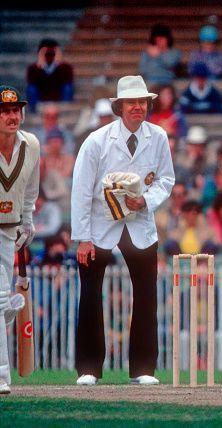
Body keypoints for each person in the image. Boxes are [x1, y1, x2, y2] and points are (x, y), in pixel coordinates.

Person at [71, 75, 175, 386]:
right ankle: (89, 368)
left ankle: (143, 369)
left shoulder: (158, 137)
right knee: (90, 294)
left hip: (140, 225)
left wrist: (146, 200)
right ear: (119, 107)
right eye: (131, 102)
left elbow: (166, 180)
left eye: (142, 102)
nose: (137, 108)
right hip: (100, 225)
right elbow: (81, 190)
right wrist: (83, 238)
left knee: (146, 295)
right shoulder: (97, 140)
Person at [0, 84, 41, 394]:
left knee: (1, 300)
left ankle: (10, 309)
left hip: (9, 230)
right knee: (0, 298)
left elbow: (29, 189)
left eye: (15, 110)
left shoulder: (32, 145)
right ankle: (2, 377)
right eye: (4, 112)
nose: (11, 116)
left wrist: (28, 220)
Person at [26, 38, 74, 113]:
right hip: (41, 97)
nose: (49, 56)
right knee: (31, 88)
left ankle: (65, 110)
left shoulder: (66, 67)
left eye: (52, 53)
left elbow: (68, 81)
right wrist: (40, 67)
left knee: (67, 87)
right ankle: (34, 112)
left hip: (58, 96)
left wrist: (58, 65)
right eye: (47, 53)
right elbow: (31, 82)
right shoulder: (33, 68)